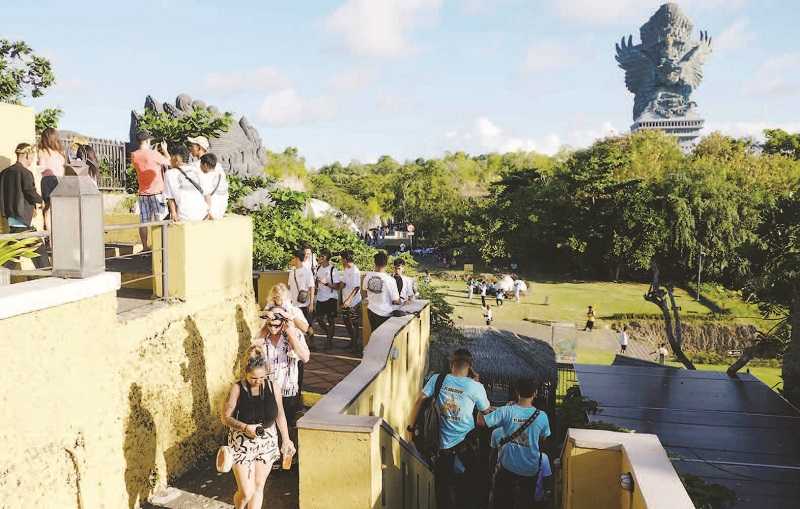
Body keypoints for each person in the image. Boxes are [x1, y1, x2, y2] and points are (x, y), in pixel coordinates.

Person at [407, 349, 491, 509]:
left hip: (440, 447)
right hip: (467, 447)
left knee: (443, 491)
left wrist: (410, 428)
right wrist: (476, 383)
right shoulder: (476, 387)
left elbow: (419, 401)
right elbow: (486, 412)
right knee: (467, 490)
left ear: (451, 364)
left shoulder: (437, 379)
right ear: (470, 366)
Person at [220, 347, 295, 509]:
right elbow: (225, 417)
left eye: (262, 377)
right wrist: (245, 427)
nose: (258, 381)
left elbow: (280, 414)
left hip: (267, 440)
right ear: (246, 374)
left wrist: (286, 439)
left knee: (259, 485)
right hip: (242, 442)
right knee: (246, 491)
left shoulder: (273, 386)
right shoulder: (237, 388)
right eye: (253, 378)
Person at [479, 378, 552, 508]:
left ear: (517, 392)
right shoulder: (542, 416)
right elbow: (543, 440)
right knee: (525, 503)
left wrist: (480, 407)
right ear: (535, 393)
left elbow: (481, 422)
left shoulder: (506, 411)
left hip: (507, 468)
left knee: (502, 503)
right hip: (530, 470)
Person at [252, 306, 311, 429]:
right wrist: (264, 326)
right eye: (270, 325)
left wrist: (291, 335)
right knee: (268, 425)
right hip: (267, 389)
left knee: (287, 425)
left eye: (276, 325)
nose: (273, 328)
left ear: (283, 322)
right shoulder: (263, 335)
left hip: (287, 390)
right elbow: (252, 349)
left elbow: (305, 357)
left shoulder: (296, 335)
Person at [0, 143, 48, 268]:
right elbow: (29, 191)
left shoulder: (4, 173)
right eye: (32, 157)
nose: (32, 160)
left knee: (10, 257)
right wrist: (41, 200)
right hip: (22, 222)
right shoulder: (26, 173)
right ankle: (48, 279)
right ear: (26, 155)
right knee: (40, 256)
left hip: (11, 221)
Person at [131, 130, 170, 250]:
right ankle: (161, 246)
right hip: (157, 193)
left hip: (143, 193)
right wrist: (164, 150)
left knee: (144, 221)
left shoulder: (134, 155)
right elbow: (169, 162)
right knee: (161, 219)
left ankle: (145, 247)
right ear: (148, 141)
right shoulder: (153, 154)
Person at [163, 145, 208, 222]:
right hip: (203, 214)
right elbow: (206, 192)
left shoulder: (169, 174)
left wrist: (173, 213)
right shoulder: (196, 169)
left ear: (176, 158)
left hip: (185, 216)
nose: (170, 160)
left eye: (171, 157)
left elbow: (170, 197)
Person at [36, 127, 66, 234]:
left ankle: (51, 237)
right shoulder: (60, 152)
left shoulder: (43, 151)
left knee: (48, 210)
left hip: (48, 180)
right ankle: (60, 234)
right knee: (59, 210)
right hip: (61, 181)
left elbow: (41, 168)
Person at [364, 251, 400, 333]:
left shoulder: (367, 276)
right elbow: (396, 300)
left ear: (375, 262)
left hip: (371, 310)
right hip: (384, 313)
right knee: (384, 338)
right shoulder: (390, 280)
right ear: (386, 263)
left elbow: (365, 292)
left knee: (374, 334)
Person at [313, 249, 340, 350]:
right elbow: (316, 283)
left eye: (320, 256)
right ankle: (329, 333)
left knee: (330, 320)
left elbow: (337, 287)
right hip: (320, 297)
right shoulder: (318, 268)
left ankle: (329, 341)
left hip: (331, 298)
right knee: (319, 319)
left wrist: (326, 283)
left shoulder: (333, 270)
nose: (318, 258)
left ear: (324, 258)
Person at [339, 250, 363, 354]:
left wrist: (349, 300)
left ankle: (356, 344)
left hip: (354, 302)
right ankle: (352, 340)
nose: (341, 261)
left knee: (355, 323)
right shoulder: (346, 269)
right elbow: (343, 284)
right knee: (346, 321)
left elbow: (357, 287)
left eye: (341, 259)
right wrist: (341, 298)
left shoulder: (355, 271)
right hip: (345, 301)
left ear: (345, 259)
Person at [288, 249, 316, 330]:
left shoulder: (307, 272)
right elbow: (290, 288)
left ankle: (311, 340)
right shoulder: (291, 273)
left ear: (296, 258)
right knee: (296, 328)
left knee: (307, 327)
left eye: (292, 258)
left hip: (304, 305)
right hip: (294, 305)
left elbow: (312, 287)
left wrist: (311, 303)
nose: (291, 260)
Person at [198, 153, 229, 220]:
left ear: (205, 165)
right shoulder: (221, 175)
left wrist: (208, 213)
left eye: (200, 165)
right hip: (221, 211)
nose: (199, 167)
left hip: (212, 214)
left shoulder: (206, 177)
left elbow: (207, 197)